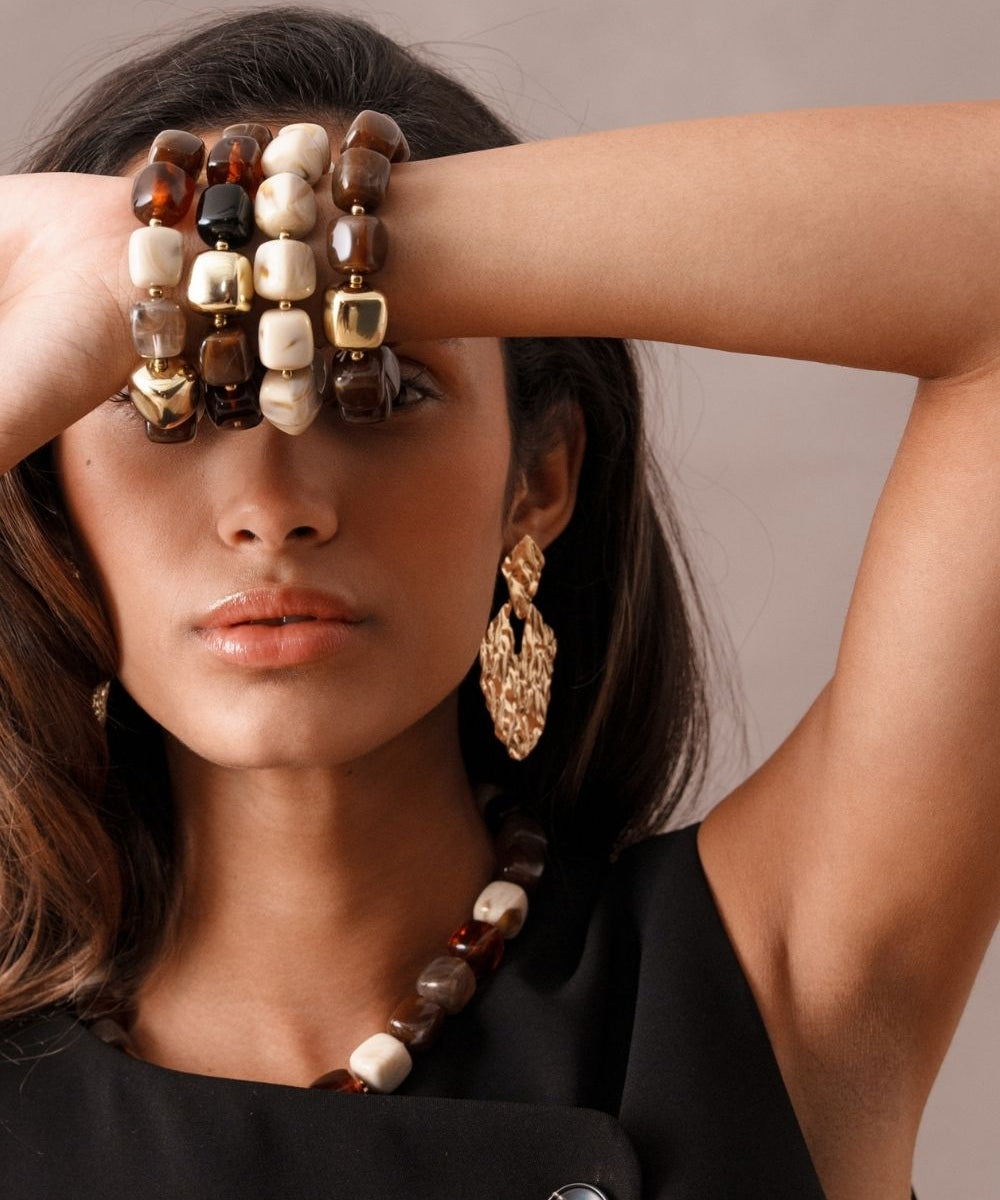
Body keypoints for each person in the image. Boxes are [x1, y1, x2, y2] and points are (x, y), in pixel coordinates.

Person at [0, 4, 996, 1197]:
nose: (272, 506)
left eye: (381, 384)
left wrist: (321, 234)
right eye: (165, 393)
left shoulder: (767, 990)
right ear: (49, 487)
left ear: (540, 478)